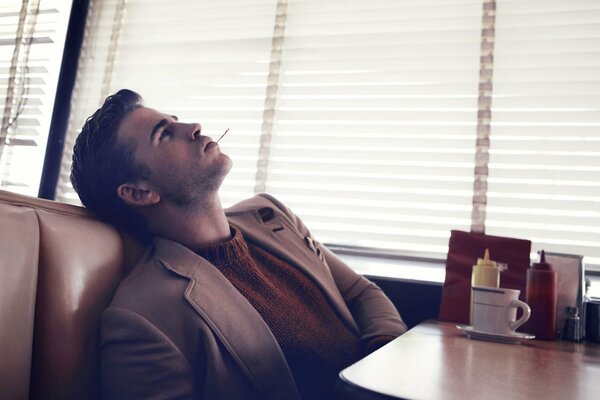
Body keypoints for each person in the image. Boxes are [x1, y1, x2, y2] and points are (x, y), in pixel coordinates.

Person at [70, 89, 407, 400]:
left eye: (175, 120)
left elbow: (361, 293)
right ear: (139, 192)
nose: (194, 126)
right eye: (164, 133)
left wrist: (380, 371)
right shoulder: (142, 319)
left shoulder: (271, 213)